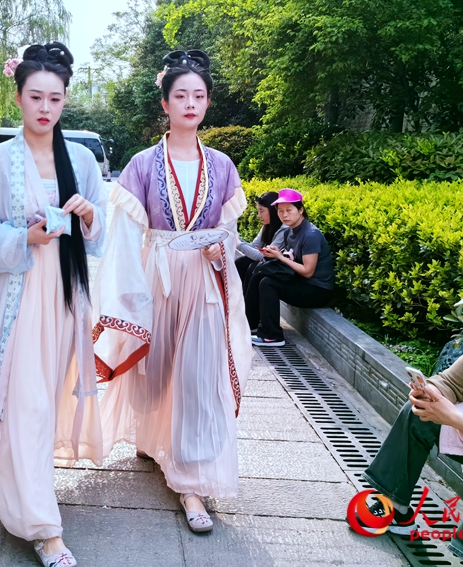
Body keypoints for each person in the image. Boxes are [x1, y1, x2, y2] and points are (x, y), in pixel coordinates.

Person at [0, 42, 107, 567]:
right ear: (18, 97)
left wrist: (86, 216)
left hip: (63, 297)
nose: (45, 108)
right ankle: (44, 527)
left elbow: (101, 229)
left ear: (64, 101)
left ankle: (22, 499)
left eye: (54, 98)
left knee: (43, 403)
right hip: (16, 296)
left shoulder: (80, 159)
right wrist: (27, 238)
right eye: (35, 96)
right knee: (24, 402)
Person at [92, 49, 253, 535]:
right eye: (180, 95)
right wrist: (125, 294)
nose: (190, 103)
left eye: (198, 96)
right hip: (157, 276)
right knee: (156, 370)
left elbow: (230, 229)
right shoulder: (142, 164)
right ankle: (151, 439)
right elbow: (124, 235)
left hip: (202, 280)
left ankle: (191, 482)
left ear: (207, 104)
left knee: (198, 379)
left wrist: (220, 251)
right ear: (165, 102)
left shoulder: (222, 165)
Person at [361, 261, 463, 567]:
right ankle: (394, 506)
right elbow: (452, 382)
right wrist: (428, 392)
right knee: (421, 412)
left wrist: (454, 418)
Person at [244, 189, 334, 346]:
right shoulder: (289, 232)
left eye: (289, 210)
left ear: (300, 210)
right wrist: (280, 254)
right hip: (300, 281)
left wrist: (280, 257)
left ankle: (272, 335)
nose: (284, 215)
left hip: (317, 289)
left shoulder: (310, 235)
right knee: (258, 271)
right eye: (280, 211)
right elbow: (292, 257)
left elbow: (307, 271)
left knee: (268, 283)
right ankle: (250, 324)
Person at [235, 191, 287, 293]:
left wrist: (238, 244)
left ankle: (248, 304)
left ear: (272, 210)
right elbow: (254, 246)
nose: (259, 215)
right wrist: (235, 236)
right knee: (242, 262)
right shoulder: (267, 226)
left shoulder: (284, 229)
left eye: (261, 211)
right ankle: (241, 300)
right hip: (268, 263)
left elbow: (262, 256)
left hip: (281, 268)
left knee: (253, 267)